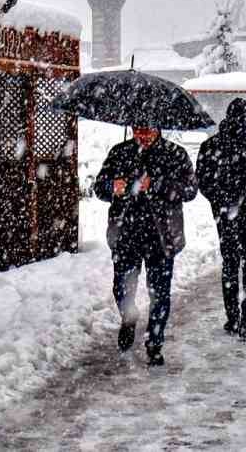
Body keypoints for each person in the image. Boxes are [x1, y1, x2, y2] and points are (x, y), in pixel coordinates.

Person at [93, 125, 198, 366]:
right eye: (138, 130)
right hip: (125, 234)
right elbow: (99, 187)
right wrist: (113, 187)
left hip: (162, 236)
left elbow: (190, 189)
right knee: (121, 288)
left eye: (148, 131)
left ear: (158, 129)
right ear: (131, 129)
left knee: (160, 293)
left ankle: (155, 343)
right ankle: (128, 318)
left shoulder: (175, 154)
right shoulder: (120, 152)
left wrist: (157, 184)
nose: (143, 136)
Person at [196, 97, 246, 341]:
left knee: (230, 265)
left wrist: (219, 202)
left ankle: (233, 317)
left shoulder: (212, 145)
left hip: (227, 216)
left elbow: (203, 178)